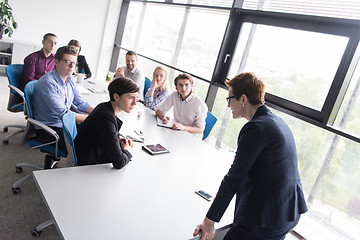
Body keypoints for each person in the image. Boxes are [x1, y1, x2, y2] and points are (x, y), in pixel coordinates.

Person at [193, 72, 308, 240]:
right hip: (288, 211)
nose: (228, 105)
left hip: (267, 218)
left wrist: (209, 220)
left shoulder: (255, 128)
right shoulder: (277, 122)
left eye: (229, 99)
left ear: (243, 99)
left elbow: (234, 179)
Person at [32, 46, 94, 157]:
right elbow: (64, 114)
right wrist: (91, 118)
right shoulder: (48, 83)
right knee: (87, 147)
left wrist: (98, 112)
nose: (71, 66)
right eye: (67, 62)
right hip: (49, 129)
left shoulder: (70, 80)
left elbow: (80, 103)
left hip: (65, 124)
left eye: (74, 63)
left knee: (97, 133)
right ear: (56, 62)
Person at [74, 77, 139, 169]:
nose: (135, 103)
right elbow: (119, 162)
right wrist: (127, 150)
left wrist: (118, 138)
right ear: (116, 97)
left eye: (136, 98)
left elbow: (107, 132)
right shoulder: (106, 117)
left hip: (90, 154)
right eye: (131, 98)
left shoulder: (104, 107)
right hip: (89, 165)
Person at [155, 73, 207, 137]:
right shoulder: (174, 95)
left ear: (191, 85)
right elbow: (159, 110)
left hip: (191, 137)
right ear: (176, 86)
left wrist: (183, 127)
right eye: (180, 85)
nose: (183, 88)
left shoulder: (200, 104)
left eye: (186, 85)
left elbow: (200, 130)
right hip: (176, 132)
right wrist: (163, 118)